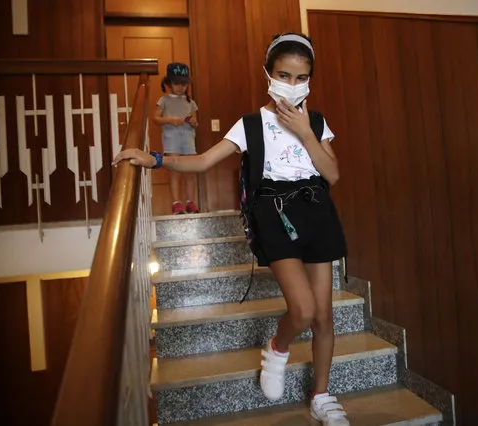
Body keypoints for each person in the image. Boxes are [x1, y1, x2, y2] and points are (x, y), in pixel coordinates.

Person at [115, 33, 350, 426]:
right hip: (274, 214)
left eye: (300, 77)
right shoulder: (250, 124)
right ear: (268, 74)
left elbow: (334, 174)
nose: (291, 85)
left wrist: (307, 133)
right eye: (283, 74)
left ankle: (322, 396)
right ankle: (277, 348)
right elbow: (202, 162)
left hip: (317, 211)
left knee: (324, 316)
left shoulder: (317, 122)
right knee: (304, 310)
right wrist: (154, 158)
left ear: (309, 80)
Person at [155, 62, 200, 214]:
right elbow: (155, 119)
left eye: (184, 84)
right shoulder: (164, 100)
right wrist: (170, 120)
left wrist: (193, 121)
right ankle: (176, 203)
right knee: (174, 170)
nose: (181, 87)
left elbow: (195, 122)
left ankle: (190, 202)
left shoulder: (191, 102)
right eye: (177, 83)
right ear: (169, 84)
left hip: (188, 139)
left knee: (190, 171)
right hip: (171, 139)